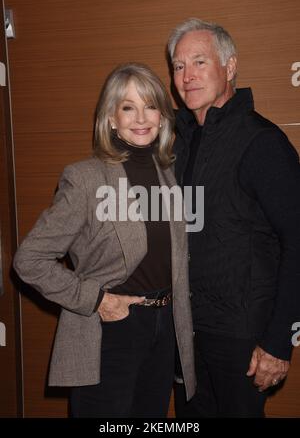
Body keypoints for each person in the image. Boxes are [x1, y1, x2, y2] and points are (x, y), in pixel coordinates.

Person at [13, 62, 196, 418]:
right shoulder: (85, 178)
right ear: (111, 118)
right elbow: (29, 259)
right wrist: (96, 300)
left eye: (150, 105)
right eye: (128, 107)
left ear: (162, 116)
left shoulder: (169, 176)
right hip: (110, 330)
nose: (141, 117)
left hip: (164, 327)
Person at [167, 18, 300, 417]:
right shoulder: (179, 143)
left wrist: (280, 340)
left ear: (230, 67)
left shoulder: (262, 142)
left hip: (243, 340)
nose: (187, 76)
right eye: (177, 66)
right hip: (187, 335)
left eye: (199, 62)